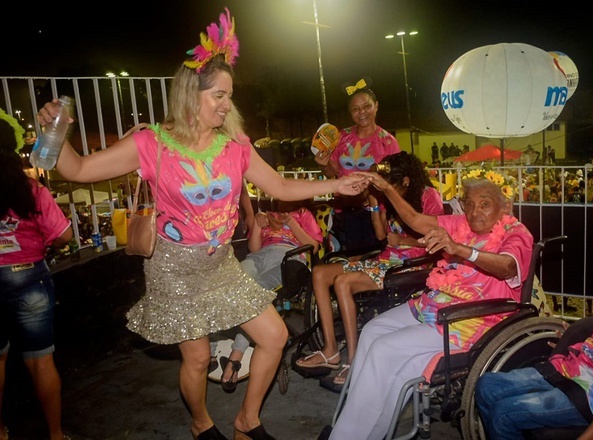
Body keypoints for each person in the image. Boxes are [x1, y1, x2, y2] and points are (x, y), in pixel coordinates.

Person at [36, 9, 368, 440]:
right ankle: (200, 422)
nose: (227, 104)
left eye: (229, 95)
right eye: (219, 95)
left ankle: (247, 421)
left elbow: (283, 188)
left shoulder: (236, 146)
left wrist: (337, 183)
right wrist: (54, 135)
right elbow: (77, 171)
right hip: (174, 271)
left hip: (221, 267)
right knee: (195, 360)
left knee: (274, 337)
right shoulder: (150, 143)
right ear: (191, 94)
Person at [324, 168, 534, 440]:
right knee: (373, 331)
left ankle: (345, 436)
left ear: (505, 206)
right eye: (469, 204)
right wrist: (386, 188)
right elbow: (415, 220)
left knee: (383, 350)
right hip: (433, 306)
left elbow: (507, 267)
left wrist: (461, 250)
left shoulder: (516, 233)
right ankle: (366, 428)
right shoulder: (461, 224)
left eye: (485, 204)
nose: (474, 212)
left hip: (470, 321)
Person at [295, 152, 444, 389]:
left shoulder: (428, 196)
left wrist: (406, 242)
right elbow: (381, 236)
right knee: (320, 273)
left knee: (343, 282)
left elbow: (438, 240)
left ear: (406, 181)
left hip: (413, 266)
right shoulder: (387, 197)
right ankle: (331, 350)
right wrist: (375, 205)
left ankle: (354, 360)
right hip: (387, 259)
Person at [0, 108, 73, 440]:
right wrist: (44, 242)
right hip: (29, 276)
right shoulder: (31, 190)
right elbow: (65, 235)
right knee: (41, 361)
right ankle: (55, 434)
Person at [217, 202, 323, 393]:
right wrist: (258, 224)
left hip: (290, 259)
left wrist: (291, 222)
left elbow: (313, 247)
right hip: (260, 257)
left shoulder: (302, 214)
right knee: (232, 282)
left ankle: (237, 353)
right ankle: (223, 334)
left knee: (254, 292)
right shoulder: (267, 215)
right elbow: (254, 249)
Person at [476, 317, 593, 439]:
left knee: (502, 415)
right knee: (486, 385)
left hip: (588, 396)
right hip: (567, 369)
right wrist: (575, 342)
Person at [314, 78, 400, 255]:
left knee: (373, 259)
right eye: (356, 109)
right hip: (345, 210)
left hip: (375, 213)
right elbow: (332, 173)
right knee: (350, 260)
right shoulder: (341, 137)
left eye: (367, 106)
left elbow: (394, 181)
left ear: (376, 106)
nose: (362, 112)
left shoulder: (388, 142)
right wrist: (323, 165)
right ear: (350, 112)